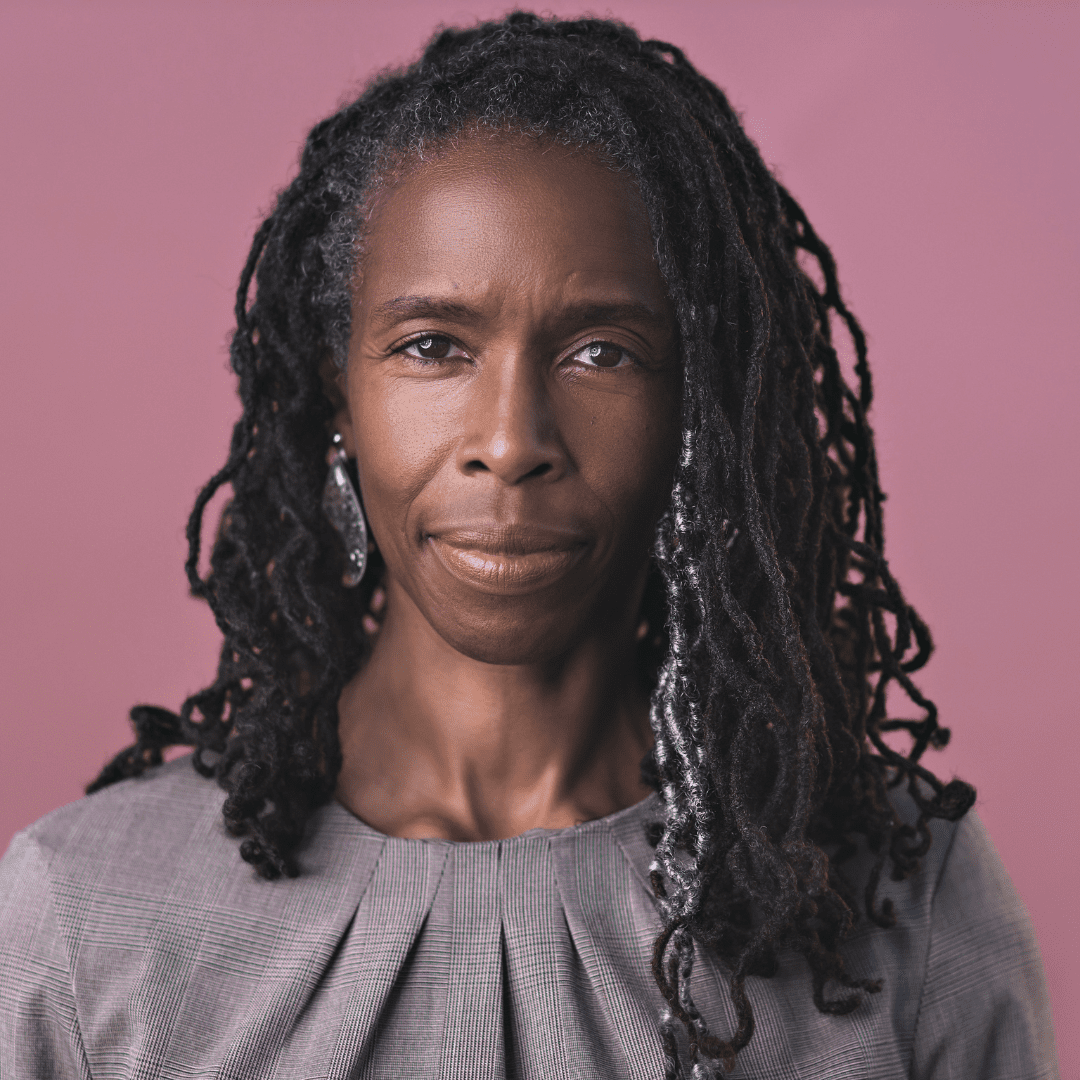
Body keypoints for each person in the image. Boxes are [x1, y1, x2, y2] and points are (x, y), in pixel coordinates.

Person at [0, 12, 1057, 1079]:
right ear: (339, 396)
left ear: (702, 408)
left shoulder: (908, 913)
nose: (511, 443)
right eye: (433, 347)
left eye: (603, 352)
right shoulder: (89, 917)